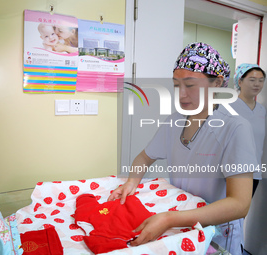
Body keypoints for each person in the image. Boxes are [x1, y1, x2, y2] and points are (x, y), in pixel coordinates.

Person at [108, 42, 258, 255]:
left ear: (217, 84)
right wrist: (132, 182)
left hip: (216, 235)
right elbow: (143, 158)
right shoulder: (175, 121)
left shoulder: (236, 127)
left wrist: (169, 218)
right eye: (177, 85)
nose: (181, 95)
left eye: (190, 85)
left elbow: (240, 204)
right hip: (181, 226)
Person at [232, 63, 266, 196]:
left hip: (254, 174)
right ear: (240, 81)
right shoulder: (227, 108)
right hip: (231, 173)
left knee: (241, 214)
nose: (257, 84)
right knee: (225, 214)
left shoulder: (262, 111)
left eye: (261, 80)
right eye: (252, 80)